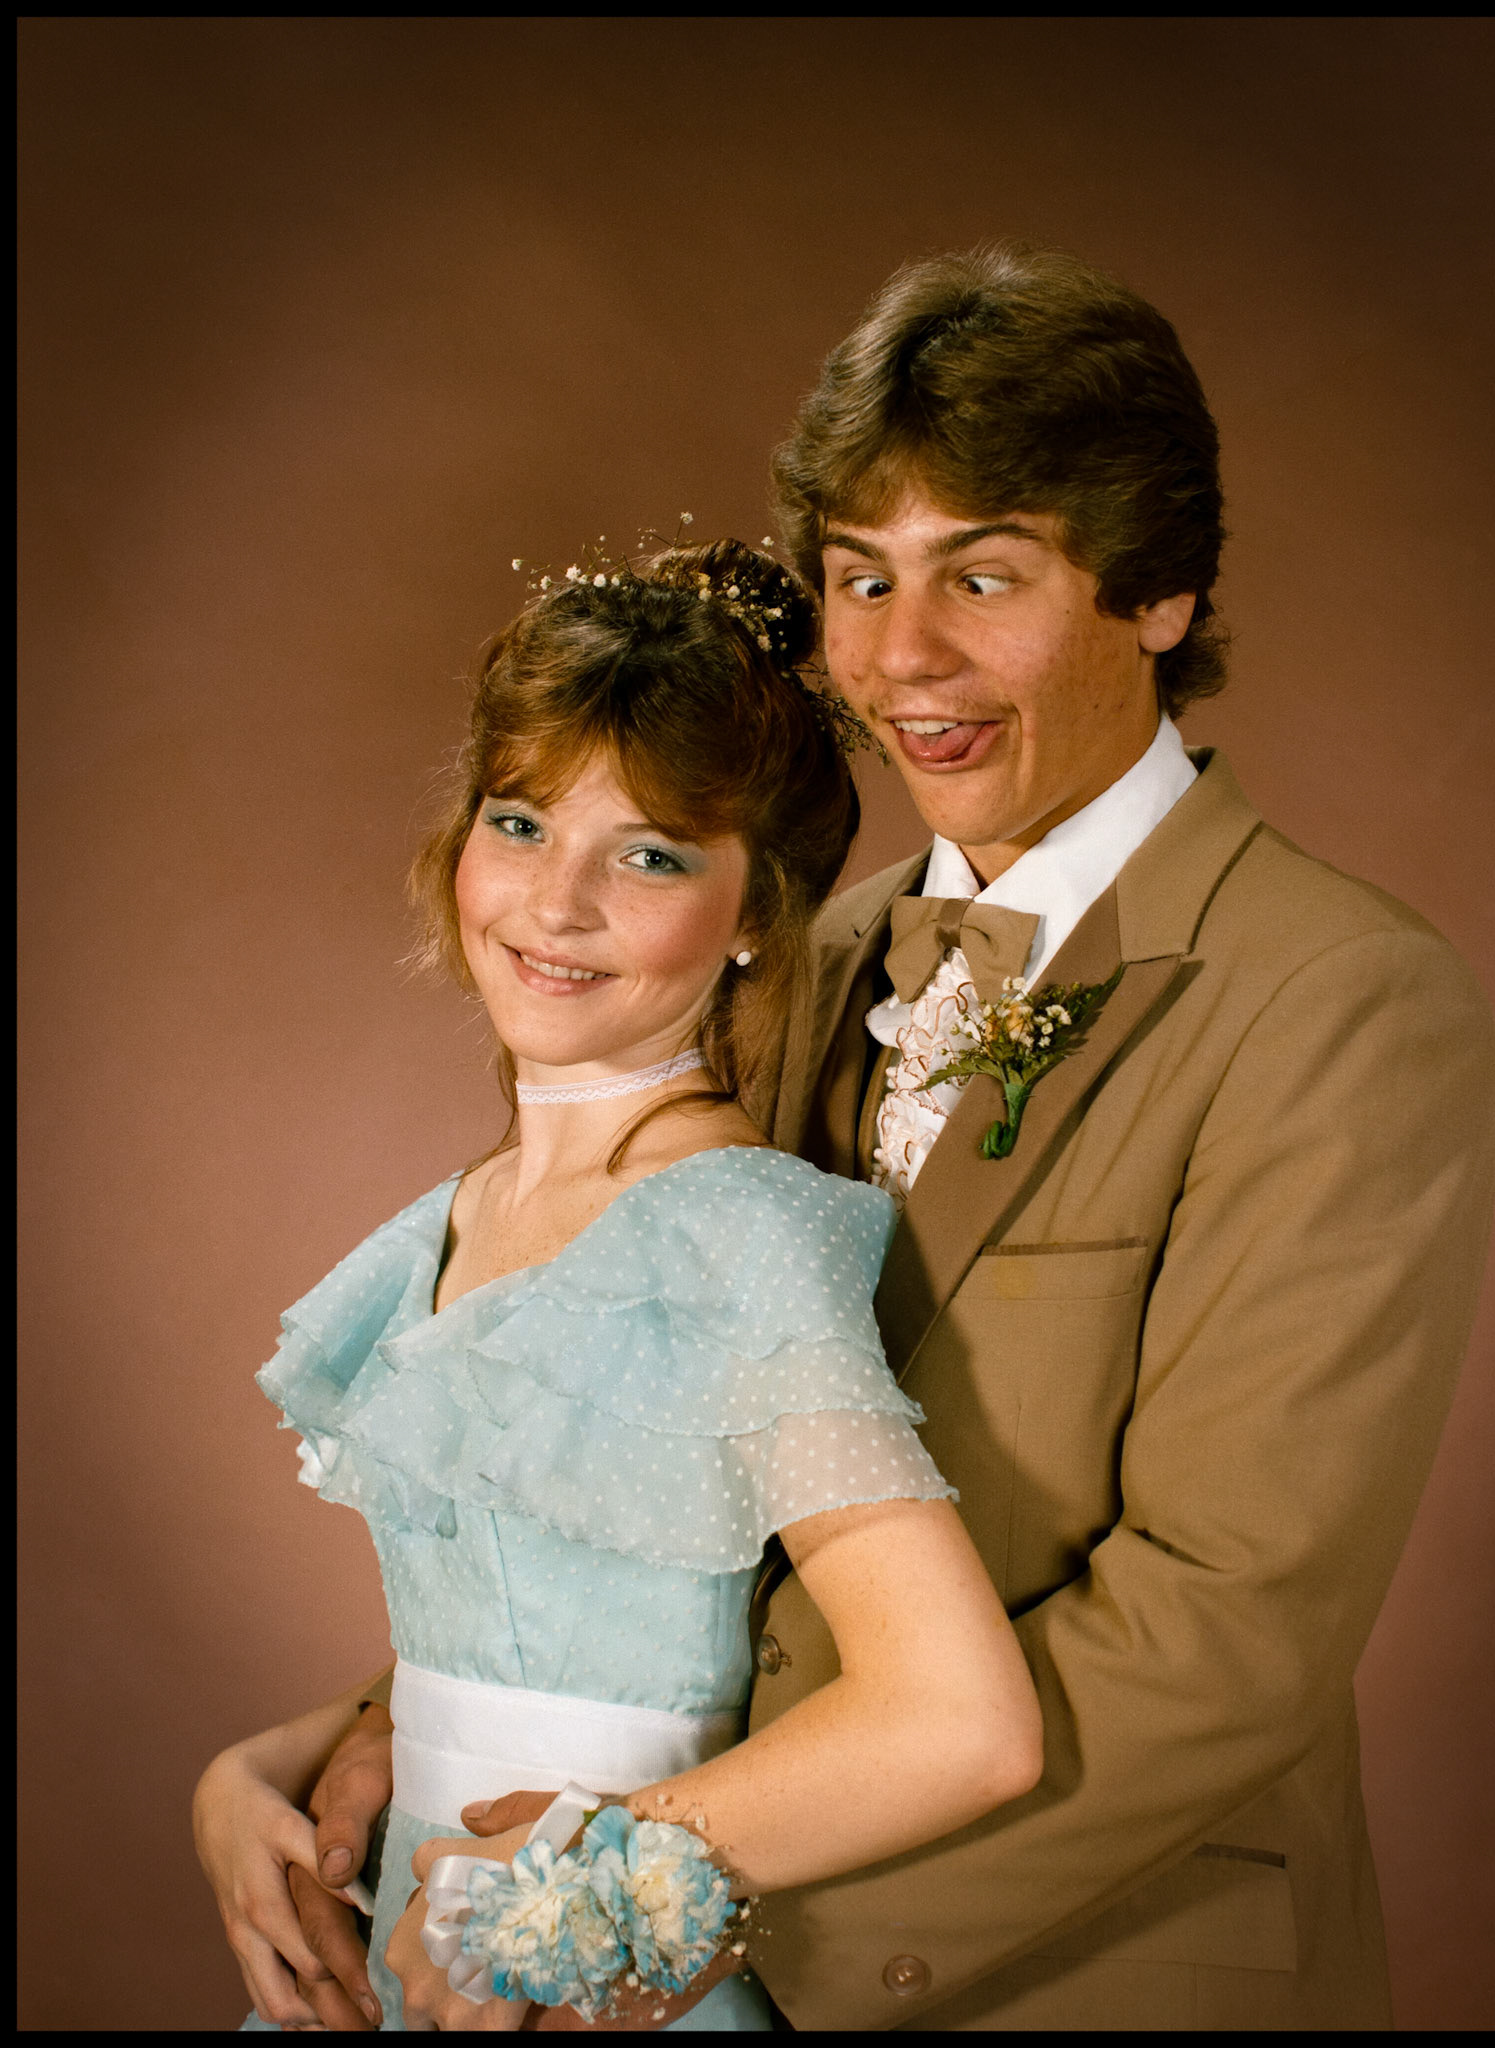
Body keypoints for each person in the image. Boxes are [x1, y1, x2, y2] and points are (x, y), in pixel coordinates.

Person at [207, 244, 1495, 2031]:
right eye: (857, 578)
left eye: (985, 573)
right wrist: (374, 1735)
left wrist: (668, 1881)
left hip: (1071, 1968)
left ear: (1160, 593)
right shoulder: (806, 950)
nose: (900, 658)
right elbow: (660, 1452)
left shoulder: (1340, 999)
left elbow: (1225, 1634)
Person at [192, 536, 1043, 2031]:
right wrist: (248, 1770)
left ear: (760, 913)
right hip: (391, 1952)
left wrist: (568, 1908)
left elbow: (958, 1721)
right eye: (519, 822)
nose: (557, 901)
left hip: (579, 1985)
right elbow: (518, 1627)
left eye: (650, 853)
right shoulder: (457, 1217)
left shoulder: (733, 1237)